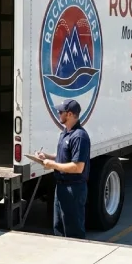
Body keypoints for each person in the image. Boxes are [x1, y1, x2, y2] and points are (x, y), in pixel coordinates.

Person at [36, 99, 91, 239]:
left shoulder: (79, 136)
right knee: (59, 227)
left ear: (71, 114)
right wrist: (46, 157)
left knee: (73, 231)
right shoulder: (64, 133)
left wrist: (52, 165)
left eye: (61, 112)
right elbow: (62, 157)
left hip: (73, 189)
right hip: (61, 187)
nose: (58, 114)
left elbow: (77, 167)